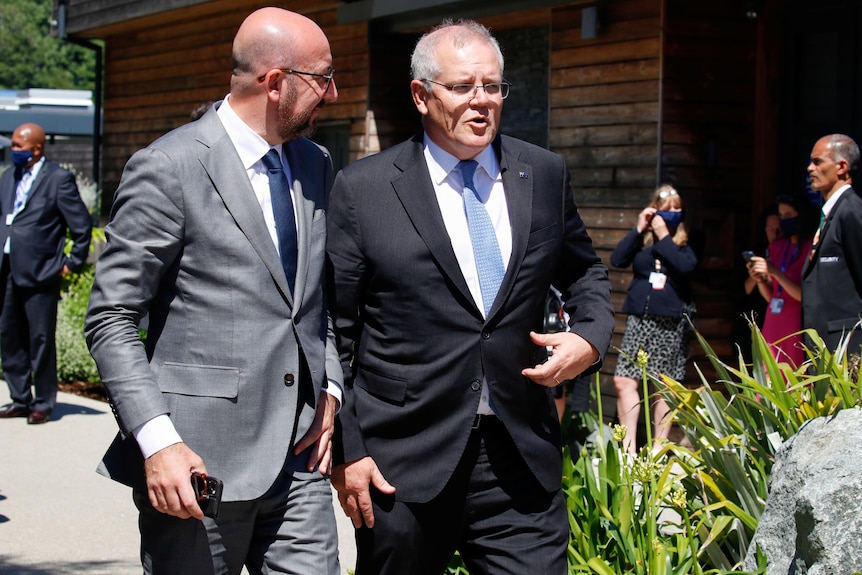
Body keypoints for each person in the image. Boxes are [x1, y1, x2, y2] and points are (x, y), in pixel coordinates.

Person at [326, 19, 615, 575]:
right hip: (402, 464)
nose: (482, 101)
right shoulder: (363, 189)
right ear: (421, 95)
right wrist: (349, 449)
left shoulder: (544, 173)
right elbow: (334, 331)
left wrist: (589, 338)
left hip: (519, 459)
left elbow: (585, 273)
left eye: (493, 86)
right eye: (463, 87)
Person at [84, 8, 342, 574]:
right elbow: (110, 317)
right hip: (197, 466)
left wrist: (331, 391)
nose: (334, 92)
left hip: (299, 461)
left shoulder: (316, 163)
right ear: (276, 83)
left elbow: (314, 298)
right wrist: (158, 442)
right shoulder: (169, 167)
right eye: (322, 78)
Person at [0, 123, 92, 424]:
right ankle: (20, 399)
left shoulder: (58, 179)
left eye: (17, 146)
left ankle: (43, 402)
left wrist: (72, 262)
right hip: (7, 268)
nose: (13, 151)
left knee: (40, 338)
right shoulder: (7, 177)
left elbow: (80, 226)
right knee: (9, 335)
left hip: (41, 272)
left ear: (36, 148)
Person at [611, 184, 698, 454]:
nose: (672, 212)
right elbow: (617, 258)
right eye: (666, 208)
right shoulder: (644, 242)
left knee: (664, 386)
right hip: (641, 318)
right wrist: (639, 229)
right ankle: (628, 450)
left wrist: (663, 235)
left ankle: (659, 450)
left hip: (671, 321)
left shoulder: (686, 241)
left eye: (677, 208)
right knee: (624, 380)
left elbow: (685, 267)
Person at [802, 133, 862, 353]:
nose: (810, 168)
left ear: (841, 166)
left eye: (818, 162)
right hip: (822, 345)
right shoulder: (830, 214)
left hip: (847, 349)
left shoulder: (852, 212)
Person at [746, 195, 814, 367]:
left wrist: (775, 272)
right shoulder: (777, 246)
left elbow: (803, 295)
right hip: (773, 320)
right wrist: (760, 279)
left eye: (789, 215)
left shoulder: (810, 248)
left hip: (795, 321)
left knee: (792, 373)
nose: (784, 220)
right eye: (781, 215)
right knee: (770, 373)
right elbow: (771, 296)